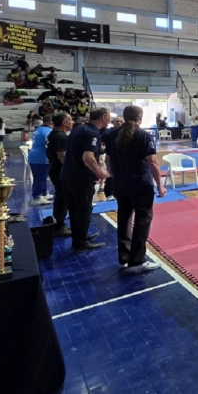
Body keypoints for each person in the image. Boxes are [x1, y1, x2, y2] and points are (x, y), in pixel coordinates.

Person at [103, 105, 165, 274]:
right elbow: (152, 162)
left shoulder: (111, 134)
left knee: (124, 219)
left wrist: (113, 176)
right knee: (142, 220)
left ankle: (124, 258)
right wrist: (160, 184)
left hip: (121, 184)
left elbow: (108, 160)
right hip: (140, 185)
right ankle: (137, 260)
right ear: (140, 118)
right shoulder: (143, 135)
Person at [61, 108, 110, 252]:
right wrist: (100, 172)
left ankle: (79, 237)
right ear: (103, 117)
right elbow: (87, 157)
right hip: (80, 178)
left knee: (74, 209)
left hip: (68, 175)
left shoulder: (79, 129)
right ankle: (80, 243)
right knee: (83, 210)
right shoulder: (93, 132)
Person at [46, 113, 73, 236]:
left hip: (54, 168)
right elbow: (62, 157)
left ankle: (59, 222)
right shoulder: (60, 137)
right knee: (62, 198)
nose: (72, 122)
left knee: (61, 197)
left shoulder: (53, 134)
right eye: (70, 120)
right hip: (60, 170)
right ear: (64, 123)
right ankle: (59, 226)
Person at [27, 114, 53, 205]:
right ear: (51, 122)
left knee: (42, 176)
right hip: (41, 157)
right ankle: (36, 197)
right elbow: (48, 144)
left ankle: (44, 193)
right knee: (40, 178)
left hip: (33, 156)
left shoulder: (38, 129)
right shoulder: (49, 131)